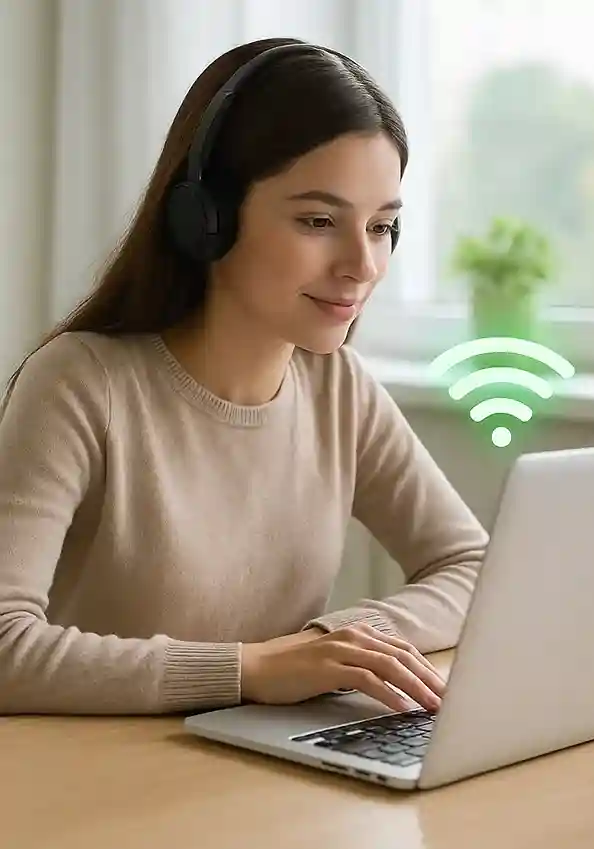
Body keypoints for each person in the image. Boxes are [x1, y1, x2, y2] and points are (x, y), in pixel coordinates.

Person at [0, 38, 488, 717]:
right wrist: (249, 669)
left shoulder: (338, 387)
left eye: (381, 227)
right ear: (207, 218)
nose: (363, 264)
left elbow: (472, 565)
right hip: (97, 793)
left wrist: (333, 645)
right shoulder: (78, 384)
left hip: (261, 780)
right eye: (319, 220)